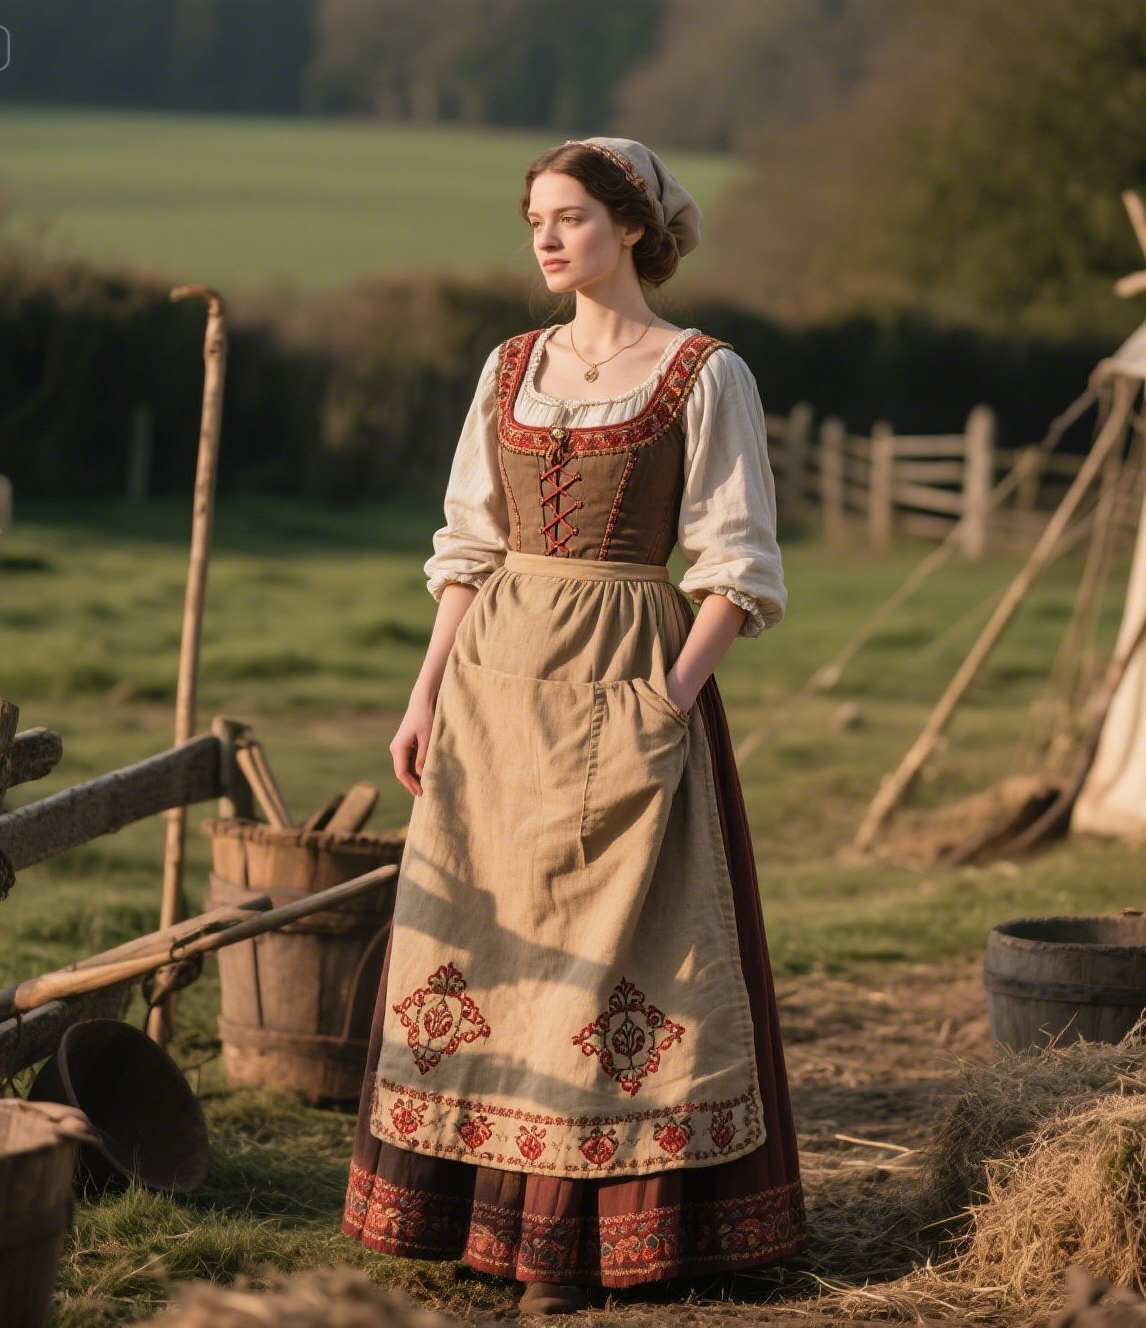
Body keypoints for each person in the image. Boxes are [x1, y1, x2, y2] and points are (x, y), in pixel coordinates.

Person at [342, 136, 807, 1316]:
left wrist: (671, 697)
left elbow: (735, 562)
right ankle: (472, 1219)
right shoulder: (507, 366)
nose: (546, 239)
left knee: (621, 955)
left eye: (570, 218)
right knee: (491, 951)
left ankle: (601, 1235)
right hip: (493, 690)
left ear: (634, 228)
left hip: (625, 670)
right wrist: (423, 692)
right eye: (533, 220)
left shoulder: (702, 372)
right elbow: (468, 547)